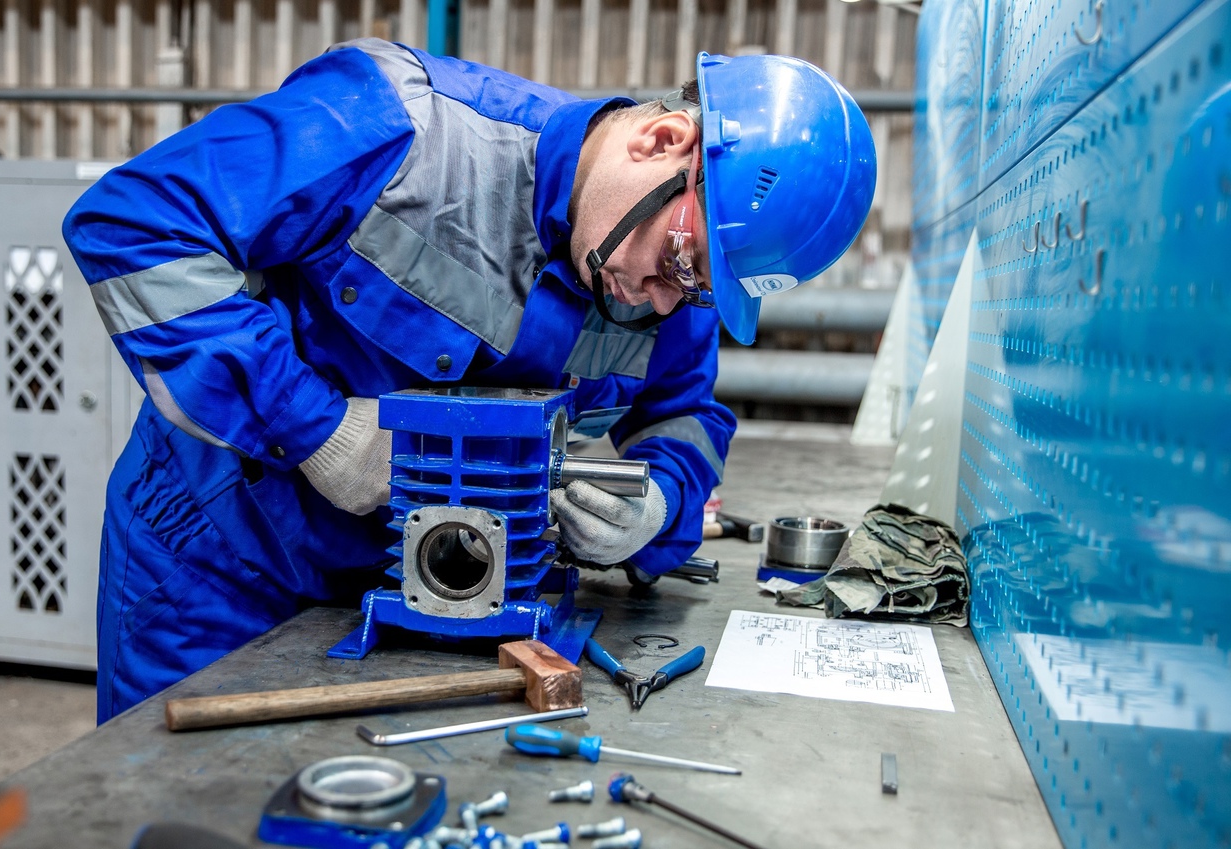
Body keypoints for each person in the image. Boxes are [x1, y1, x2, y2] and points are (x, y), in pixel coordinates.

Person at [63, 39, 876, 721]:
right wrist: (312, 428)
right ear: (662, 142)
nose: (666, 299)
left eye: (699, 290)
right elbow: (134, 227)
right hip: (219, 562)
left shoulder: (669, 288)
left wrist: (656, 505)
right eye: (679, 261)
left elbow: (685, 416)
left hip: (435, 606)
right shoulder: (401, 129)